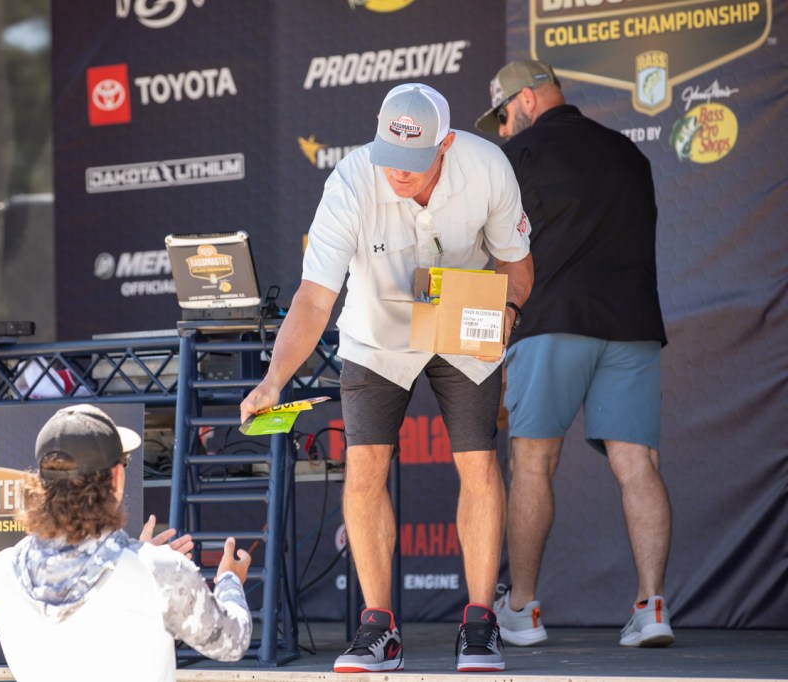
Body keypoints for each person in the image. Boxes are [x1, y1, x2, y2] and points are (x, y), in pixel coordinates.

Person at [240, 83, 533, 673]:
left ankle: (481, 623)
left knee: (479, 463)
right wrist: (273, 380)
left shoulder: (488, 166)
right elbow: (314, 298)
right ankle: (379, 628)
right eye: (389, 157)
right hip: (376, 332)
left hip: (461, 323)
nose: (397, 172)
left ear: (445, 144)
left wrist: (507, 310)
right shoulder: (350, 181)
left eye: (413, 160)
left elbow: (516, 263)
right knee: (365, 466)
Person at [474, 60, 674, 648]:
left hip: (551, 320)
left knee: (533, 462)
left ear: (528, 100)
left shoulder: (516, 155)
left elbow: (494, 254)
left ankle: (522, 609)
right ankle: (652, 608)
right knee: (639, 465)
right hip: (632, 324)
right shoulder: (630, 154)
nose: (502, 129)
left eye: (503, 115)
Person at [0, 404, 253, 681]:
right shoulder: (158, 571)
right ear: (117, 477)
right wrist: (229, 580)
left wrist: (140, 555)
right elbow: (233, 642)